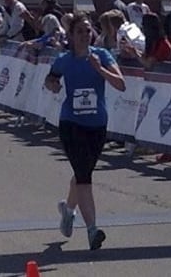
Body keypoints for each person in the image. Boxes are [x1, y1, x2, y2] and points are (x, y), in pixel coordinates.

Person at [44, 13, 126, 250]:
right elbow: (50, 80)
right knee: (84, 176)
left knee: (83, 173)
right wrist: (53, 85)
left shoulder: (102, 56)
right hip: (71, 124)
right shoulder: (64, 60)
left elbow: (120, 84)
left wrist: (100, 70)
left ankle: (68, 210)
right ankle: (92, 230)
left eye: (88, 31)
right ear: (71, 35)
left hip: (97, 124)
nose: (84, 36)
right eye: (79, 31)